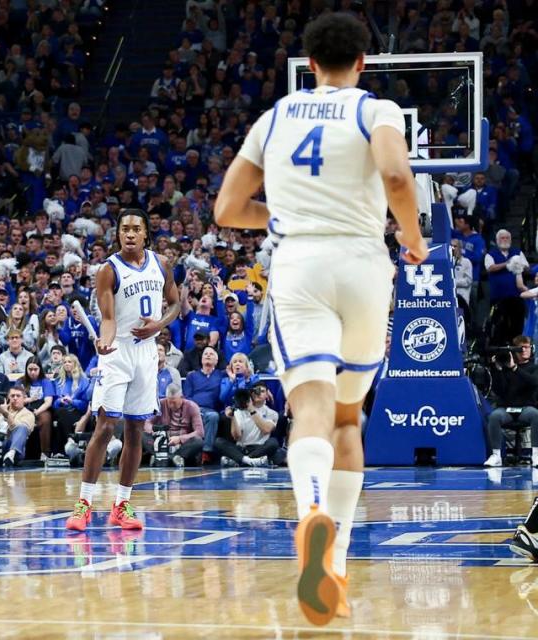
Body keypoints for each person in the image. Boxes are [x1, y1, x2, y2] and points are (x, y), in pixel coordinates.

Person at [213, 13, 427, 626]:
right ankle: (333, 558)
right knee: (346, 417)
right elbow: (394, 176)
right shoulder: (376, 111)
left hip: (299, 263)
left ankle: (311, 512)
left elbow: (228, 209)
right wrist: (411, 239)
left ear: (309, 66)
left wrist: (281, 218)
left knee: (308, 402)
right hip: (362, 261)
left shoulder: (275, 118)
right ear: (364, 62)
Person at [66, 208, 180, 532]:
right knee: (105, 427)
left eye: (136, 229)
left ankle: (121, 505)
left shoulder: (161, 265)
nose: (129, 234)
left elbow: (174, 303)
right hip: (116, 353)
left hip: (146, 354)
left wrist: (159, 324)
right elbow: (108, 318)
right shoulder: (108, 270)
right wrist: (104, 342)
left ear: (146, 233)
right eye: (124, 229)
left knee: (135, 433)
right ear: (118, 234)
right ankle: (84, 504)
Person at [483, 336, 538, 468]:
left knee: (536, 415)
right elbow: (500, 390)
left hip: (526, 408)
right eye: (520, 348)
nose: (524, 350)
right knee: (494, 416)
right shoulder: (506, 367)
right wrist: (498, 369)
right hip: (507, 409)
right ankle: (496, 455)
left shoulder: (534, 367)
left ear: (532, 349)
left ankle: (535, 454)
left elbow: (533, 382)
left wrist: (515, 368)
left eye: (526, 347)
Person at [214, 383, 281, 467]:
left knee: (273, 443)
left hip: (260, 448)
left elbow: (266, 429)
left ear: (268, 394)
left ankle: (240, 460)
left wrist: (251, 409)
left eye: (262, 391)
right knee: (218, 442)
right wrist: (232, 417)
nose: (258, 393)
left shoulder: (272, 413)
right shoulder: (239, 412)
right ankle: (250, 461)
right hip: (241, 448)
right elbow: (237, 436)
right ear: (250, 394)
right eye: (255, 391)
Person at [144, 384, 204, 467]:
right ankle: (162, 456)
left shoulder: (192, 407)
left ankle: (170, 457)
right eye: (169, 402)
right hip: (162, 442)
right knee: (141, 434)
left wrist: (180, 439)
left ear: (182, 397)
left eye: (174, 402)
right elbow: (147, 422)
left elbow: (200, 432)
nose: (171, 405)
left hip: (182, 445)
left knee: (198, 441)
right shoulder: (158, 404)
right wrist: (155, 430)